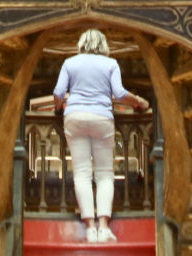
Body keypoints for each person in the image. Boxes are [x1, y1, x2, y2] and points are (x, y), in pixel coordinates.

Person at [52, 29, 150, 243]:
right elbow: (120, 93)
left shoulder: (70, 62)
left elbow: (58, 93)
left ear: (81, 43)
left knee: (81, 173)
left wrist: (59, 108)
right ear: (103, 45)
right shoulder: (110, 63)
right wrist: (139, 102)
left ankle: (89, 228)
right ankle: (104, 227)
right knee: (105, 174)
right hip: (101, 117)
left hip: (75, 117)